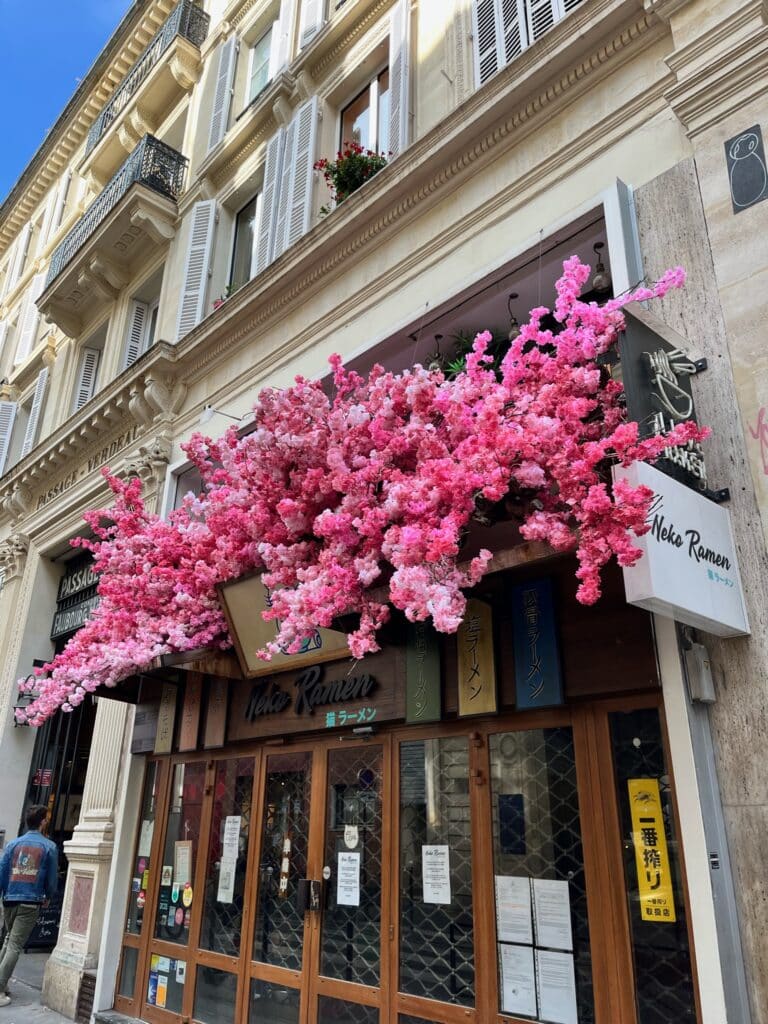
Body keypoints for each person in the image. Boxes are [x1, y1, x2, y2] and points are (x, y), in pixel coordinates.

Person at [0, 806, 58, 1007]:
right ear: (42, 821)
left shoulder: (13, 844)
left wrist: (3, 894)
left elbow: (2, 871)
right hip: (30, 901)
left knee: (8, 940)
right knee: (15, 944)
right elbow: (51, 879)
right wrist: (49, 896)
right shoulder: (49, 846)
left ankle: (2, 982)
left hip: (9, 899)